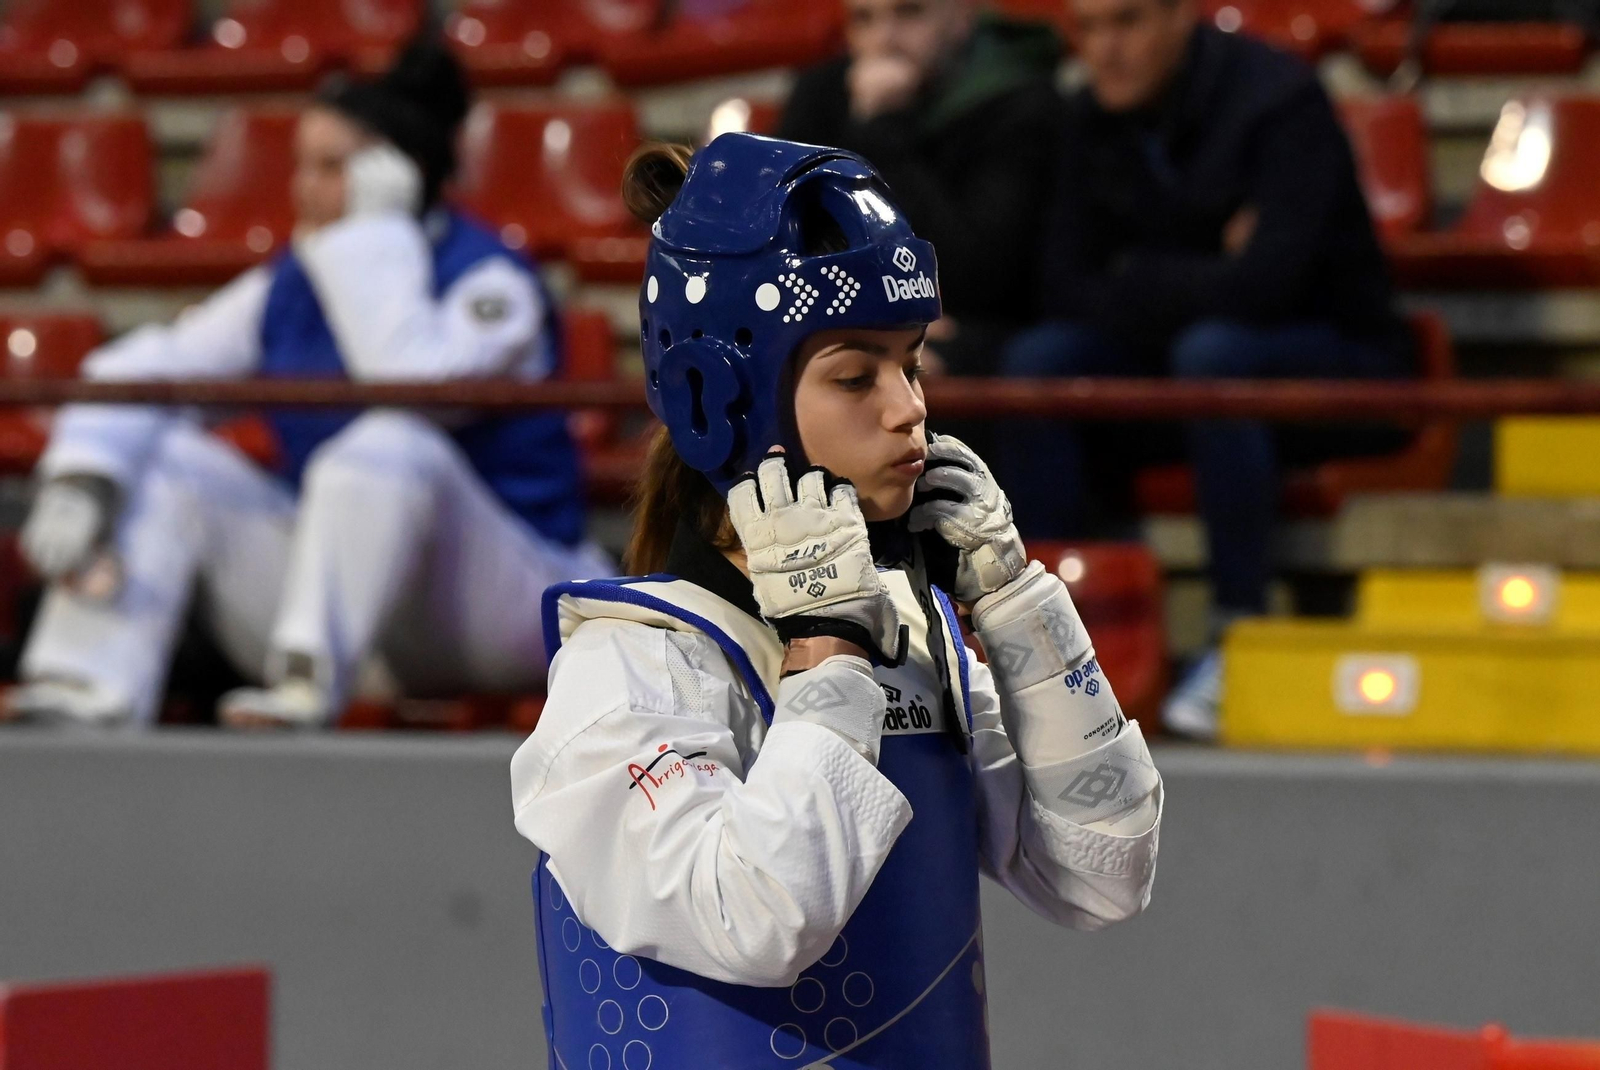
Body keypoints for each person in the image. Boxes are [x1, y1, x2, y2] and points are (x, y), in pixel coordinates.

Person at [509, 134, 1162, 1068]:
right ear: (724, 399)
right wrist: (822, 647)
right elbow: (759, 921)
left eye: (913, 364)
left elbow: (1104, 875)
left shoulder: (917, 638)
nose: (908, 409)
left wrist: (1020, 611)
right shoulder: (629, 665)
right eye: (857, 376)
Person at [2, 36, 609, 729]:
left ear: (396, 172)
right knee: (166, 456)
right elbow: (145, 369)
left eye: (330, 167)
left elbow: (406, 379)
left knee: (390, 443)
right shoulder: (295, 279)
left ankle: (304, 687)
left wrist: (376, 234)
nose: (303, 188)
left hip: (500, 607)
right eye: (301, 164)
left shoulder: (489, 280)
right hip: (354, 615)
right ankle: (87, 688)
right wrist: (84, 476)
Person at [1001, 0, 1416, 738]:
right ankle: (1054, 639)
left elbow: (1270, 286)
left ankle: (1236, 629)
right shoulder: (1087, 117)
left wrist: (1134, 272)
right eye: (1087, 30)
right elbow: (1060, 287)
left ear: (1179, 17)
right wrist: (1205, 260)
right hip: (1179, 364)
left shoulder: (1278, 99)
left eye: (1124, 23)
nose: (1104, 50)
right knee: (1040, 363)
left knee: (1214, 354)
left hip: (1341, 364)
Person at [776, 0, 1066, 375]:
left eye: (910, 13)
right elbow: (782, 238)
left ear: (962, 17)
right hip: (843, 315)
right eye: (864, 19)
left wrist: (883, 124)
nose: (884, 40)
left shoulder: (1019, 103)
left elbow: (975, 278)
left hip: (975, 331)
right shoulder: (821, 93)